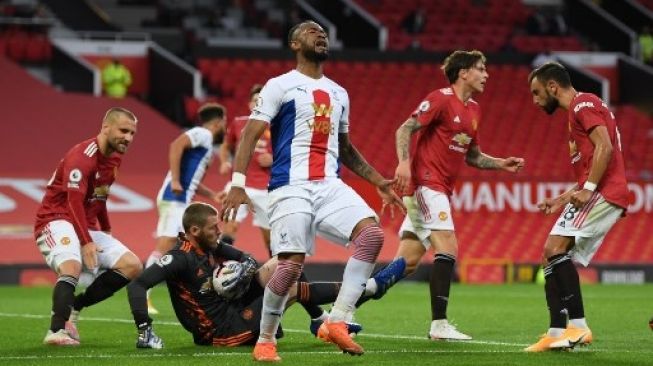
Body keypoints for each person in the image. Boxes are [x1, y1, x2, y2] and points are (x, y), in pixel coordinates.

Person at [220, 20, 404, 361]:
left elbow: (346, 148)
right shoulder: (279, 86)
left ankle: (338, 319)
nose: (320, 34)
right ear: (294, 44)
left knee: (372, 236)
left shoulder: (339, 92)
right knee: (289, 266)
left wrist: (378, 180)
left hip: (329, 184)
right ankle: (265, 339)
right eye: (310, 31)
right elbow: (250, 134)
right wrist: (237, 183)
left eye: (323, 31)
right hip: (290, 186)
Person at [367, 50, 525, 341]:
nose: (486, 74)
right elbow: (405, 128)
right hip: (427, 185)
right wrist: (403, 163)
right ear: (463, 72)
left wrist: (500, 163)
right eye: (480, 69)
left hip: (436, 190)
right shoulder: (440, 98)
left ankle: (348, 303)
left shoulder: (474, 110)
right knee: (448, 249)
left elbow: (473, 156)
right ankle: (439, 325)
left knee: (408, 263)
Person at [127, 202, 383, 349]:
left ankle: (319, 320)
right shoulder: (179, 258)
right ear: (194, 230)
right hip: (220, 331)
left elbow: (245, 257)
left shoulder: (210, 245)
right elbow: (137, 284)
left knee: (284, 263)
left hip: (232, 308)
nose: (220, 231)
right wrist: (144, 330)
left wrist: (244, 269)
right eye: (213, 228)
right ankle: (365, 288)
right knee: (289, 288)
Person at [525, 62, 629, 352]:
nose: (535, 101)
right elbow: (588, 172)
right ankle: (557, 331)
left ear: (552, 87)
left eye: (536, 93)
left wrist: (589, 189)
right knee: (550, 253)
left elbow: (605, 148)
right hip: (598, 188)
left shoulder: (584, 102)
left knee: (555, 249)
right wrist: (559, 200)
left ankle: (579, 327)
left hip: (606, 191)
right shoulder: (576, 115)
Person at [35, 107, 142, 345]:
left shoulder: (114, 158)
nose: (128, 137)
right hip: (55, 219)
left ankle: (74, 306)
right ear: (105, 127)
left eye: (132, 133)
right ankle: (56, 331)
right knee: (71, 266)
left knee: (132, 265)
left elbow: (100, 196)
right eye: (124, 130)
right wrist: (86, 242)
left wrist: (106, 228)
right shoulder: (82, 157)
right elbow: (73, 202)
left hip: (84, 224)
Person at [144, 103, 226, 314]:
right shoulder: (202, 134)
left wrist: (211, 195)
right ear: (218, 122)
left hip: (181, 198)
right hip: (174, 197)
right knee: (166, 244)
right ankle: (142, 292)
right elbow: (176, 145)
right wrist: (175, 180)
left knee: (182, 246)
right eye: (224, 123)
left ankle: (191, 294)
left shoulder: (205, 144)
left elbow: (193, 179)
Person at [218, 84, 272, 252]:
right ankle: (220, 268)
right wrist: (224, 161)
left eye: (262, 100)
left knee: (270, 239)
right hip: (239, 184)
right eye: (255, 100)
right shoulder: (238, 123)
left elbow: (289, 154)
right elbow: (225, 146)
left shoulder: (276, 126)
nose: (258, 103)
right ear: (250, 104)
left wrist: (273, 159)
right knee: (229, 227)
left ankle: (278, 275)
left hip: (266, 188)